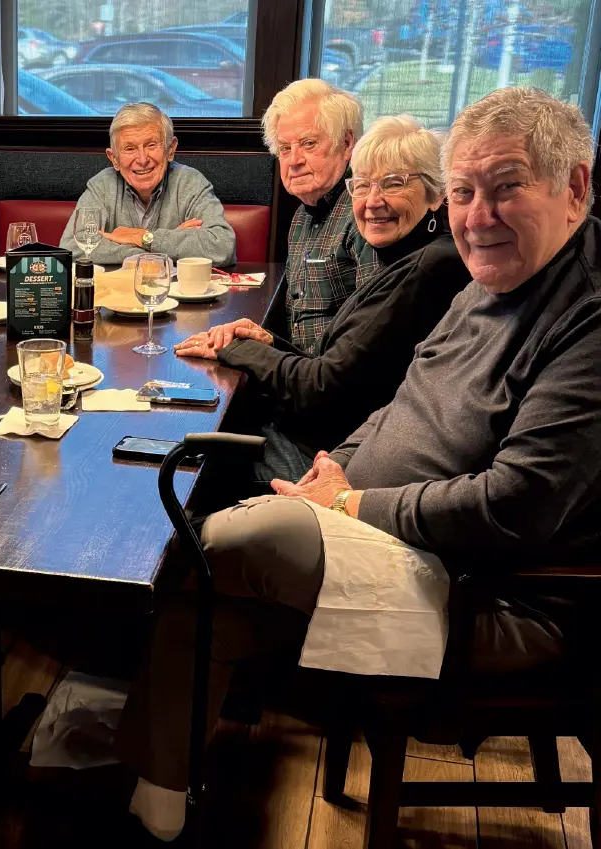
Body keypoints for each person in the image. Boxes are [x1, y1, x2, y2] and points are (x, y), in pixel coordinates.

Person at [117, 87, 601, 844]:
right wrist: (333, 468)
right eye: (467, 191)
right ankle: (157, 809)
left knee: (209, 544)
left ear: (575, 187)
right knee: (198, 604)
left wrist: (349, 506)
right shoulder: (488, 278)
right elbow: (401, 404)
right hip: (388, 538)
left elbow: (514, 506)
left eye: (507, 187)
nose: (478, 215)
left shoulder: (586, 320)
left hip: (487, 592)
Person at [175, 116, 471, 480]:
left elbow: (322, 390)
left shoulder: (431, 266)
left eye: (393, 184)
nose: (373, 201)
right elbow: (344, 370)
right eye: (361, 186)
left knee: (185, 462)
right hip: (324, 436)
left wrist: (232, 349)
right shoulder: (408, 256)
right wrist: (268, 342)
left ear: (436, 192)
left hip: (325, 459)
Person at [59, 102, 236, 266]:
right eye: (130, 149)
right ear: (114, 159)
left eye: (151, 145)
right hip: (117, 297)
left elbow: (222, 246)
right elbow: (73, 248)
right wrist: (169, 247)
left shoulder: (190, 182)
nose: (142, 159)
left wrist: (142, 237)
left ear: (171, 150)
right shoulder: (102, 185)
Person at [261, 79, 365, 355]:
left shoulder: (366, 211)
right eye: (285, 148)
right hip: (298, 372)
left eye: (308, 144)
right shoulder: (300, 217)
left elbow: (370, 340)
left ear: (346, 144)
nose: (293, 160)